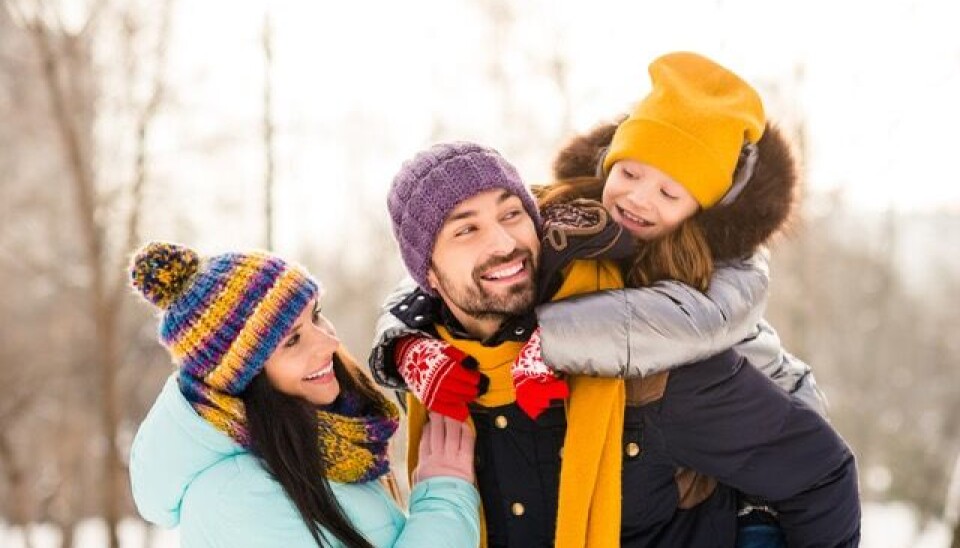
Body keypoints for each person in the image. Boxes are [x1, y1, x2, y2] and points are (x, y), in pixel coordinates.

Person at [373, 139, 860, 545]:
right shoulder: (434, 384)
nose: (503, 243)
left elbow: (821, 475)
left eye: (513, 214)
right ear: (427, 274)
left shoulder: (647, 360)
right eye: (466, 230)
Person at [127, 242, 480, 547]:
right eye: (292, 341)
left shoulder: (313, 450)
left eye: (317, 316)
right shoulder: (237, 500)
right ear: (243, 379)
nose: (329, 341)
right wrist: (444, 501)